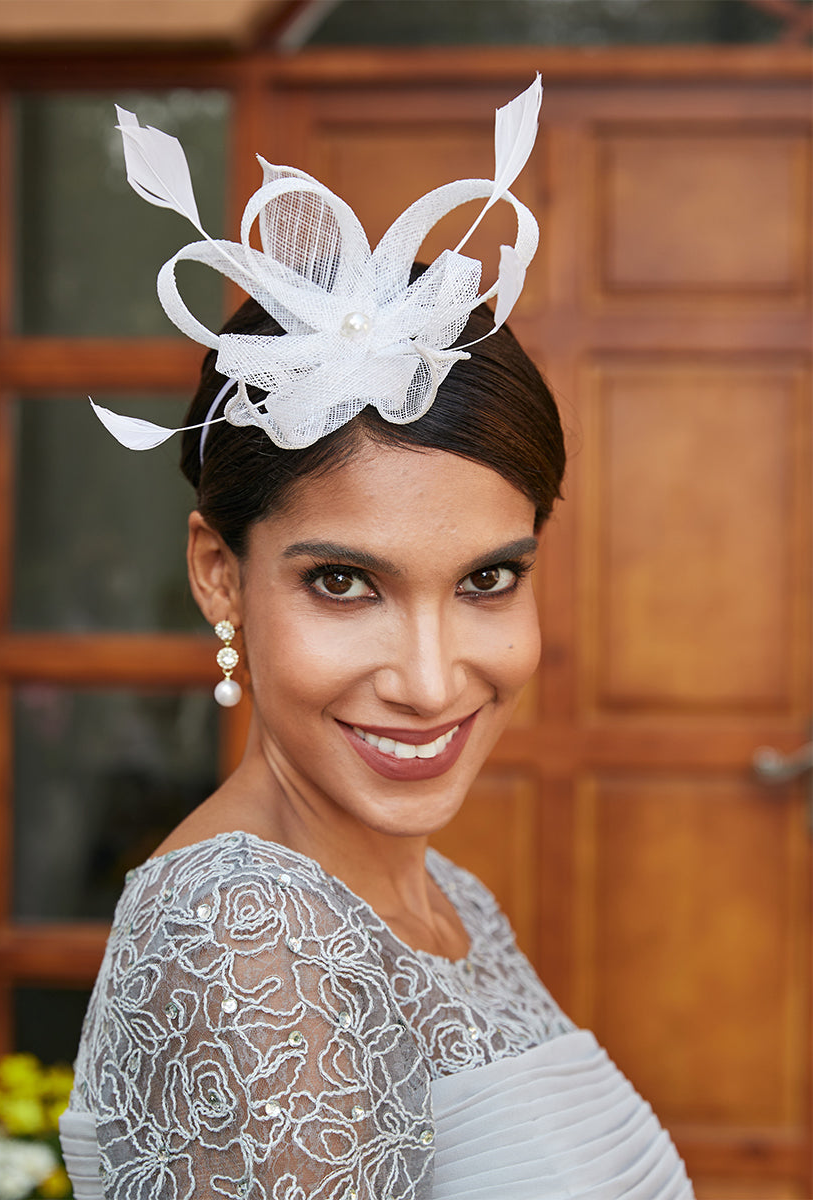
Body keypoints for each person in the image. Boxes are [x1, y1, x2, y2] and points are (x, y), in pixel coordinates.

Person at [60, 79, 694, 1199]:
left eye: (488, 579)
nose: (433, 680)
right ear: (220, 573)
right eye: (345, 583)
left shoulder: (445, 894)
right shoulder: (247, 939)